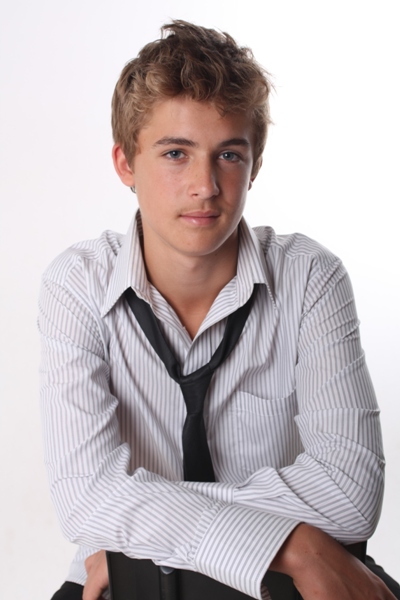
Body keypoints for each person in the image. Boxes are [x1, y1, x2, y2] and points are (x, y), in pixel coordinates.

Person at [38, 20, 399, 600]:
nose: (205, 185)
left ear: (255, 164)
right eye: (175, 153)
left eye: (228, 154)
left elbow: (350, 496)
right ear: (125, 163)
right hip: (135, 576)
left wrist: (139, 521)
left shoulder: (310, 276)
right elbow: (86, 501)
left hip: (211, 567)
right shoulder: (77, 284)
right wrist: (296, 544)